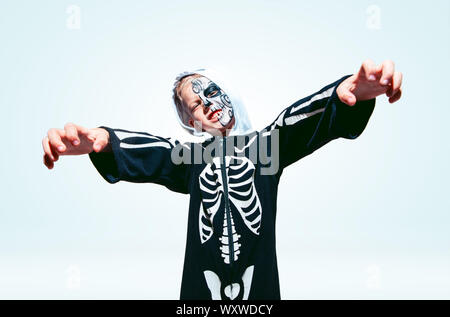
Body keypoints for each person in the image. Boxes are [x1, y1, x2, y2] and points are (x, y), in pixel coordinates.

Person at [42, 59, 403, 299]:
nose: (209, 104)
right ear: (190, 122)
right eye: (196, 105)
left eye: (212, 92)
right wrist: (104, 141)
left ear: (229, 93)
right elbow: (155, 152)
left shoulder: (266, 148)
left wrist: (345, 94)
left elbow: (299, 120)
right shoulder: (193, 159)